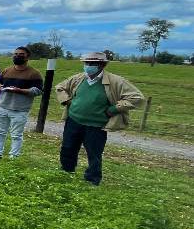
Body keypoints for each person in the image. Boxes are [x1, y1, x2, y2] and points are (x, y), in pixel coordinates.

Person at [56, 52, 144, 185]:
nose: (88, 66)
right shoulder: (79, 78)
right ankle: (66, 172)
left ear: (103, 65)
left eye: (92, 64)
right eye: (86, 63)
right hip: (73, 120)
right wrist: (67, 101)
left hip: (96, 125)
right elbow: (60, 87)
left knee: (94, 153)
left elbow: (137, 98)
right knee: (68, 148)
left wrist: (114, 108)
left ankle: (92, 179)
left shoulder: (116, 81)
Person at [0, 46, 43, 160]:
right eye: (15, 54)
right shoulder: (7, 70)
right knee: (0, 132)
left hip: (20, 110)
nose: (17, 56)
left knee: (16, 135)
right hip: (3, 106)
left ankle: (13, 158)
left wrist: (20, 90)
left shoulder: (34, 73)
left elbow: (38, 90)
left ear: (27, 57)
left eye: (21, 54)